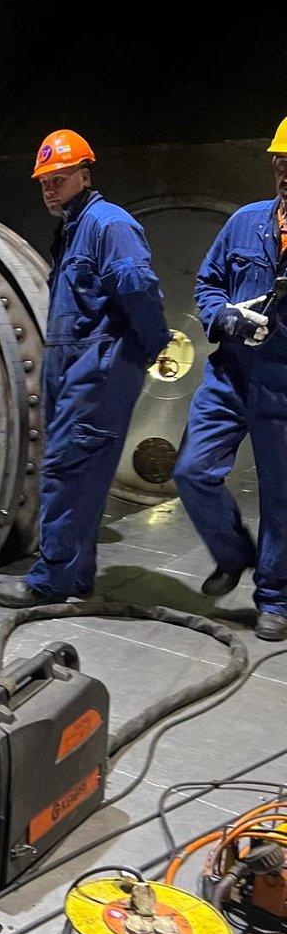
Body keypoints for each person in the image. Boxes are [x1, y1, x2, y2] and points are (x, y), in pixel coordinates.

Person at [0, 129, 172, 608]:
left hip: (97, 369)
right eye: (44, 182)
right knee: (84, 474)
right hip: (74, 366)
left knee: (66, 471)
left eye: (59, 178)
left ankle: (50, 579)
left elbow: (137, 286)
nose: (50, 189)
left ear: (85, 176)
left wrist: (151, 343)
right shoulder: (74, 229)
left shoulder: (108, 225)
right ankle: (77, 575)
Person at [172, 116, 287, 641]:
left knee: (280, 495)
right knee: (192, 470)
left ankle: (276, 598)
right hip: (230, 374)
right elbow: (209, 281)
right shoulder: (245, 222)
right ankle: (233, 552)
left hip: (282, 383)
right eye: (280, 162)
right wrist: (226, 317)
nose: (284, 172)